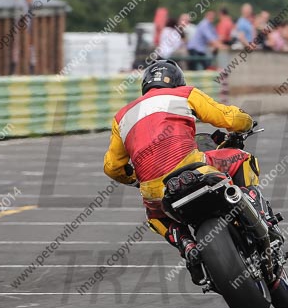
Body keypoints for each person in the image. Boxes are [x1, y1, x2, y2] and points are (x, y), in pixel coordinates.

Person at [103, 60, 266, 283]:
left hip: (155, 189)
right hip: (194, 168)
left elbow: (112, 167)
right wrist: (246, 123)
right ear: (178, 81)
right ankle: (258, 216)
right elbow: (228, 117)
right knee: (243, 159)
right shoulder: (184, 94)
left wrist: (135, 180)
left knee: (154, 216)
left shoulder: (121, 116)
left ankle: (187, 245)